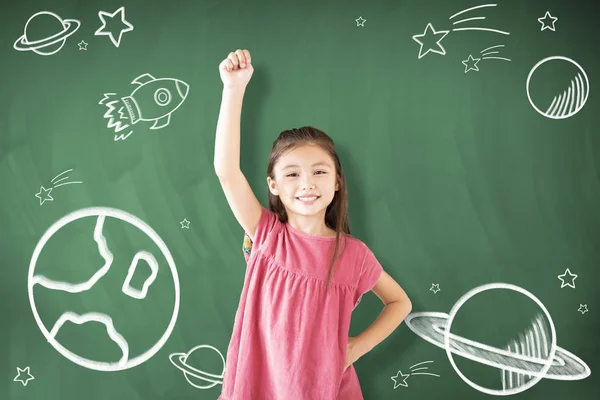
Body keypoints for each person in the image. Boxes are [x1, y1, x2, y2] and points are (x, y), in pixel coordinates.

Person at [214, 49, 412, 400]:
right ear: (273, 186)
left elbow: (400, 303)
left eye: (320, 172)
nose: (307, 184)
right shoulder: (267, 236)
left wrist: (354, 349)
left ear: (337, 181)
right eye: (292, 174)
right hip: (259, 387)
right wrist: (234, 89)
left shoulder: (353, 254)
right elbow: (227, 172)